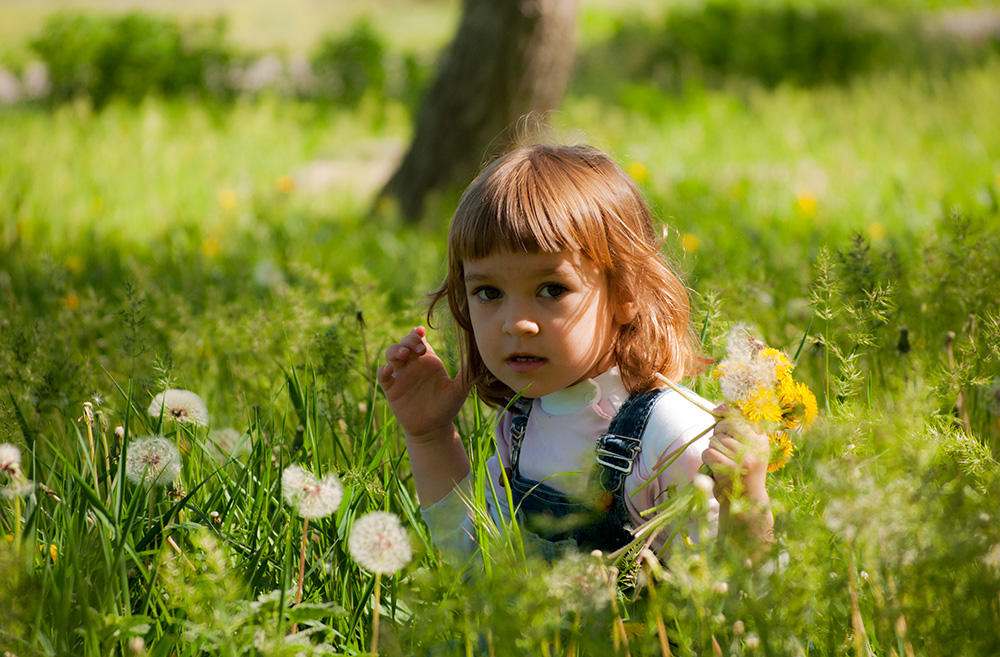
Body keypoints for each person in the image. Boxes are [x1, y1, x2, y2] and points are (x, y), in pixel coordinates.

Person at [377, 143, 772, 565]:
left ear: (625, 294)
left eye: (551, 290)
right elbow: (472, 561)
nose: (516, 323)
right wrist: (430, 436)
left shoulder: (670, 435)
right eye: (489, 292)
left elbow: (735, 598)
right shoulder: (522, 421)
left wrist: (743, 497)